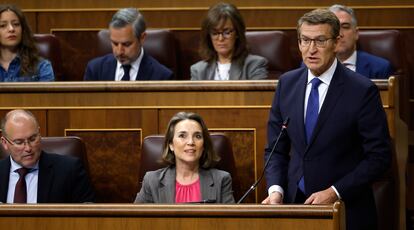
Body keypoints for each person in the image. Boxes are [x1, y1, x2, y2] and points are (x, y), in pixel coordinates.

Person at [262, 9, 391, 230]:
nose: (311, 49)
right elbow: (275, 150)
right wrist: (276, 190)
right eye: (305, 40)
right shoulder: (287, 84)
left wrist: (335, 192)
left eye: (320, 41)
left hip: (347, 210)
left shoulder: (361, 90)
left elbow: (379, 158)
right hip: (295, 207)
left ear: (335, 41)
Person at [135, 111, 235, 203]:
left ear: (204, 145)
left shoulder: (221, 180)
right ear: (171, 144)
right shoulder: (152, 181)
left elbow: (230, 222)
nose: (191, 142)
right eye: (182, 136)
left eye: (198, 136)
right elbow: (136, 221)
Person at [0, 110, 95, 203]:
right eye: (19, 142)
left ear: (39, 135)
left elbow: (87, 214)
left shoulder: (69, 170)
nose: (28, 148)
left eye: (33, 139)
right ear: (4, 143)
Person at [84, 8, 173, 81]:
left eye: (126, 44)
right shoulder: (95, 70)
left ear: (142, 38)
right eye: (115, 43)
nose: (119, 52)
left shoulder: (162, 76)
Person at [191, 2, 268, 80]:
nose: (220, 38)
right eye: (215, 33)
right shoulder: (198, 70)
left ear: (237, 33)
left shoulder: (254, 65)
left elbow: (257, 92)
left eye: (226, 32)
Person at [329, 4, 392, 79]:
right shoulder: (315, 66)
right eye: (334, 28)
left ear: (356, 33)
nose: (339, 34)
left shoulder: (380, 68)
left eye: (345, 27)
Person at [0, 4, 54, 82]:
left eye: (16, 24)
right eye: (2, 25)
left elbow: (47, 94)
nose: (11, 29)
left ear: (23, 30)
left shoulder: (42, 66)